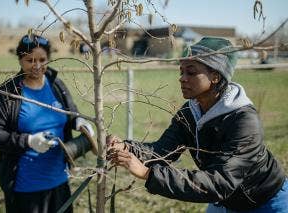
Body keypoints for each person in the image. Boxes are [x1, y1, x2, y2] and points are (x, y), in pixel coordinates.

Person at [107, 37, 287, 212]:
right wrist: (126, 148)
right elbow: (162, 151)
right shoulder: (190, 112)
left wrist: (148, 174)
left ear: (215, 76)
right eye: (181, 71)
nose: (182, 78)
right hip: (223, 201)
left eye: (191, 72)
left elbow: (221, 181)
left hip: (266, 202)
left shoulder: (244, 121)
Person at [0, 34, 96, 213]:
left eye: (42, 60)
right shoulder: (8, 94)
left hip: (59, 180)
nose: (37, 66)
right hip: (25, 187)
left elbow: (71, 113)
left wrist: (80, 122)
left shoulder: (56, 85)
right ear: (20, 60)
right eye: (30, 60)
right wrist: (28, 141)